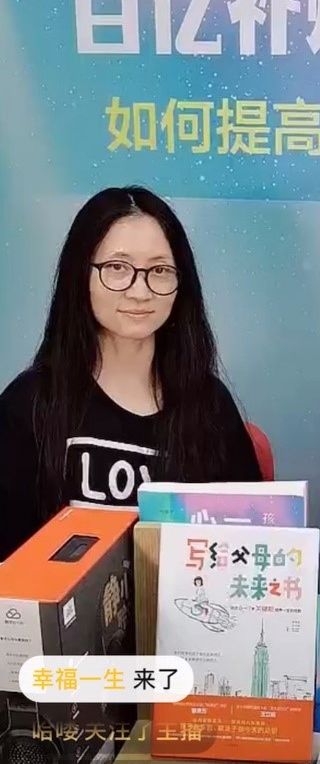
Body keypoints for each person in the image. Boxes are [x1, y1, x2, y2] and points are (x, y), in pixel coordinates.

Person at [0, 186, 261, 559]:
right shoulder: (28, 405)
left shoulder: (210, 405)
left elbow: (254, 544)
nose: (140, 292)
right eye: (117, 268)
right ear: (81, 274)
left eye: (160, 270)